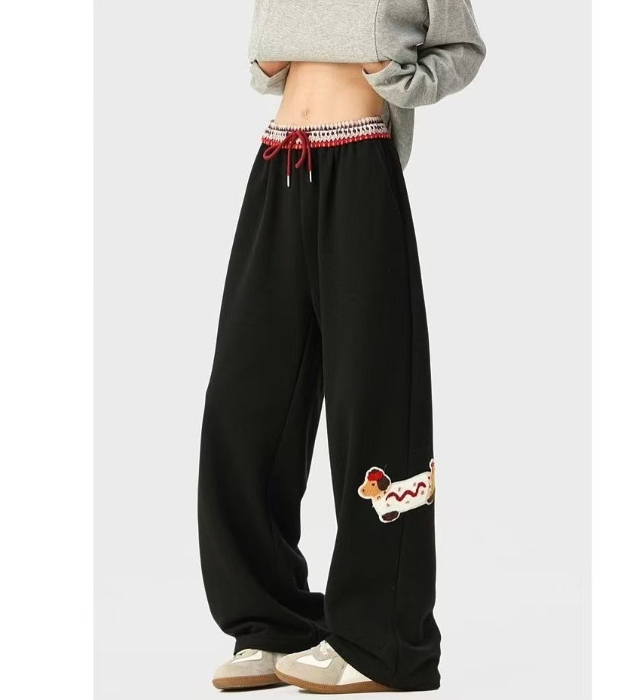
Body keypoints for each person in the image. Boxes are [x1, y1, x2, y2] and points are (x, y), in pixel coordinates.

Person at [197, 0, 486, 693]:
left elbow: (463, 50)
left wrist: (398, 78)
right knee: (245, 406)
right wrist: (268, 63)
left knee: (374, 402)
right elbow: (265, 64)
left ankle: (384, 642)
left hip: (359, 166)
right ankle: (270, 622)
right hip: (277, 162)